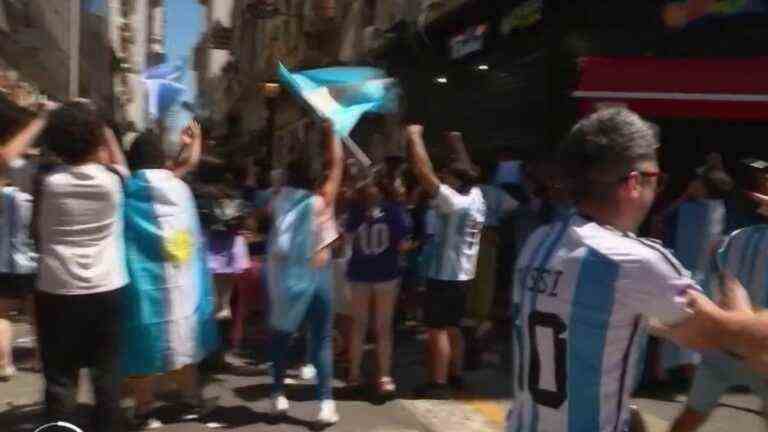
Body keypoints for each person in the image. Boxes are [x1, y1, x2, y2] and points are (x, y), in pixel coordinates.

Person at [505, 107, 756, 432]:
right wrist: (740, 310)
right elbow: (726, 337)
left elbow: (596, 319)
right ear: (634, 183)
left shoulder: (540, 242)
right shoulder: (635, 259)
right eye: (657, 178)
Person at [34, 101, 128, 432]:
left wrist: (45, 118)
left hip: (56, 288)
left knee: (60, 378)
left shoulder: (45, 181)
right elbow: (120, 161)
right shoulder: (113, 181)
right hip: (108, 288)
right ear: (97, 140)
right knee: (107, 373)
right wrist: (101, 125)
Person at [120, 123, 220, 429]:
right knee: (184, 337)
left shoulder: (126, 187)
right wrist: (195, 141)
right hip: (182, 282)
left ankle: (144, 409)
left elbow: (178, 166)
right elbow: (182, 167)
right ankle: (192, 399)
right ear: (162, 161)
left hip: (143, 284)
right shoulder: (178, 188)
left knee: (141, 340)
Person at [668, 168, 768, 432]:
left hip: (722, 347)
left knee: (690, 417)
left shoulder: (735, 239)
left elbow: (720, 276)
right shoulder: (736, 239)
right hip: (758, 350)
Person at [267, 119, 343, 426]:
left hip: (285, 277)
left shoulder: (278, 199)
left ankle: (277, 395)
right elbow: (337, 163)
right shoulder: (321, 200)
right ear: (316, 176)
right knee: (322, 337)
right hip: (317, 274)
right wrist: (332, 132)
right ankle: (325, 403)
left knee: (280, 337)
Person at [405, 126, 486, 399]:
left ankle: (437, 383)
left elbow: (422, 172)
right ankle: (456, 374)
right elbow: (466, 170)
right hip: (464, 274)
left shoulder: (454, 203)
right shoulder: (477, 197)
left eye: (448, 176)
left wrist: (415, 138)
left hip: (444, 274)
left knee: (436, 329)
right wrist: (456, 141)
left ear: (455, 180)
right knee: (454, 326)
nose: (444, 179)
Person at [345, 178, 412, 396]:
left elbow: (346, 237)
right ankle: (384, 376)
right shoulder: (394, 211)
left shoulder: (355, 211)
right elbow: (403, 244)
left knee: (358, 326)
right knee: (383, 327)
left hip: (359, 273)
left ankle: (354, 375)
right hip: (386, 273)